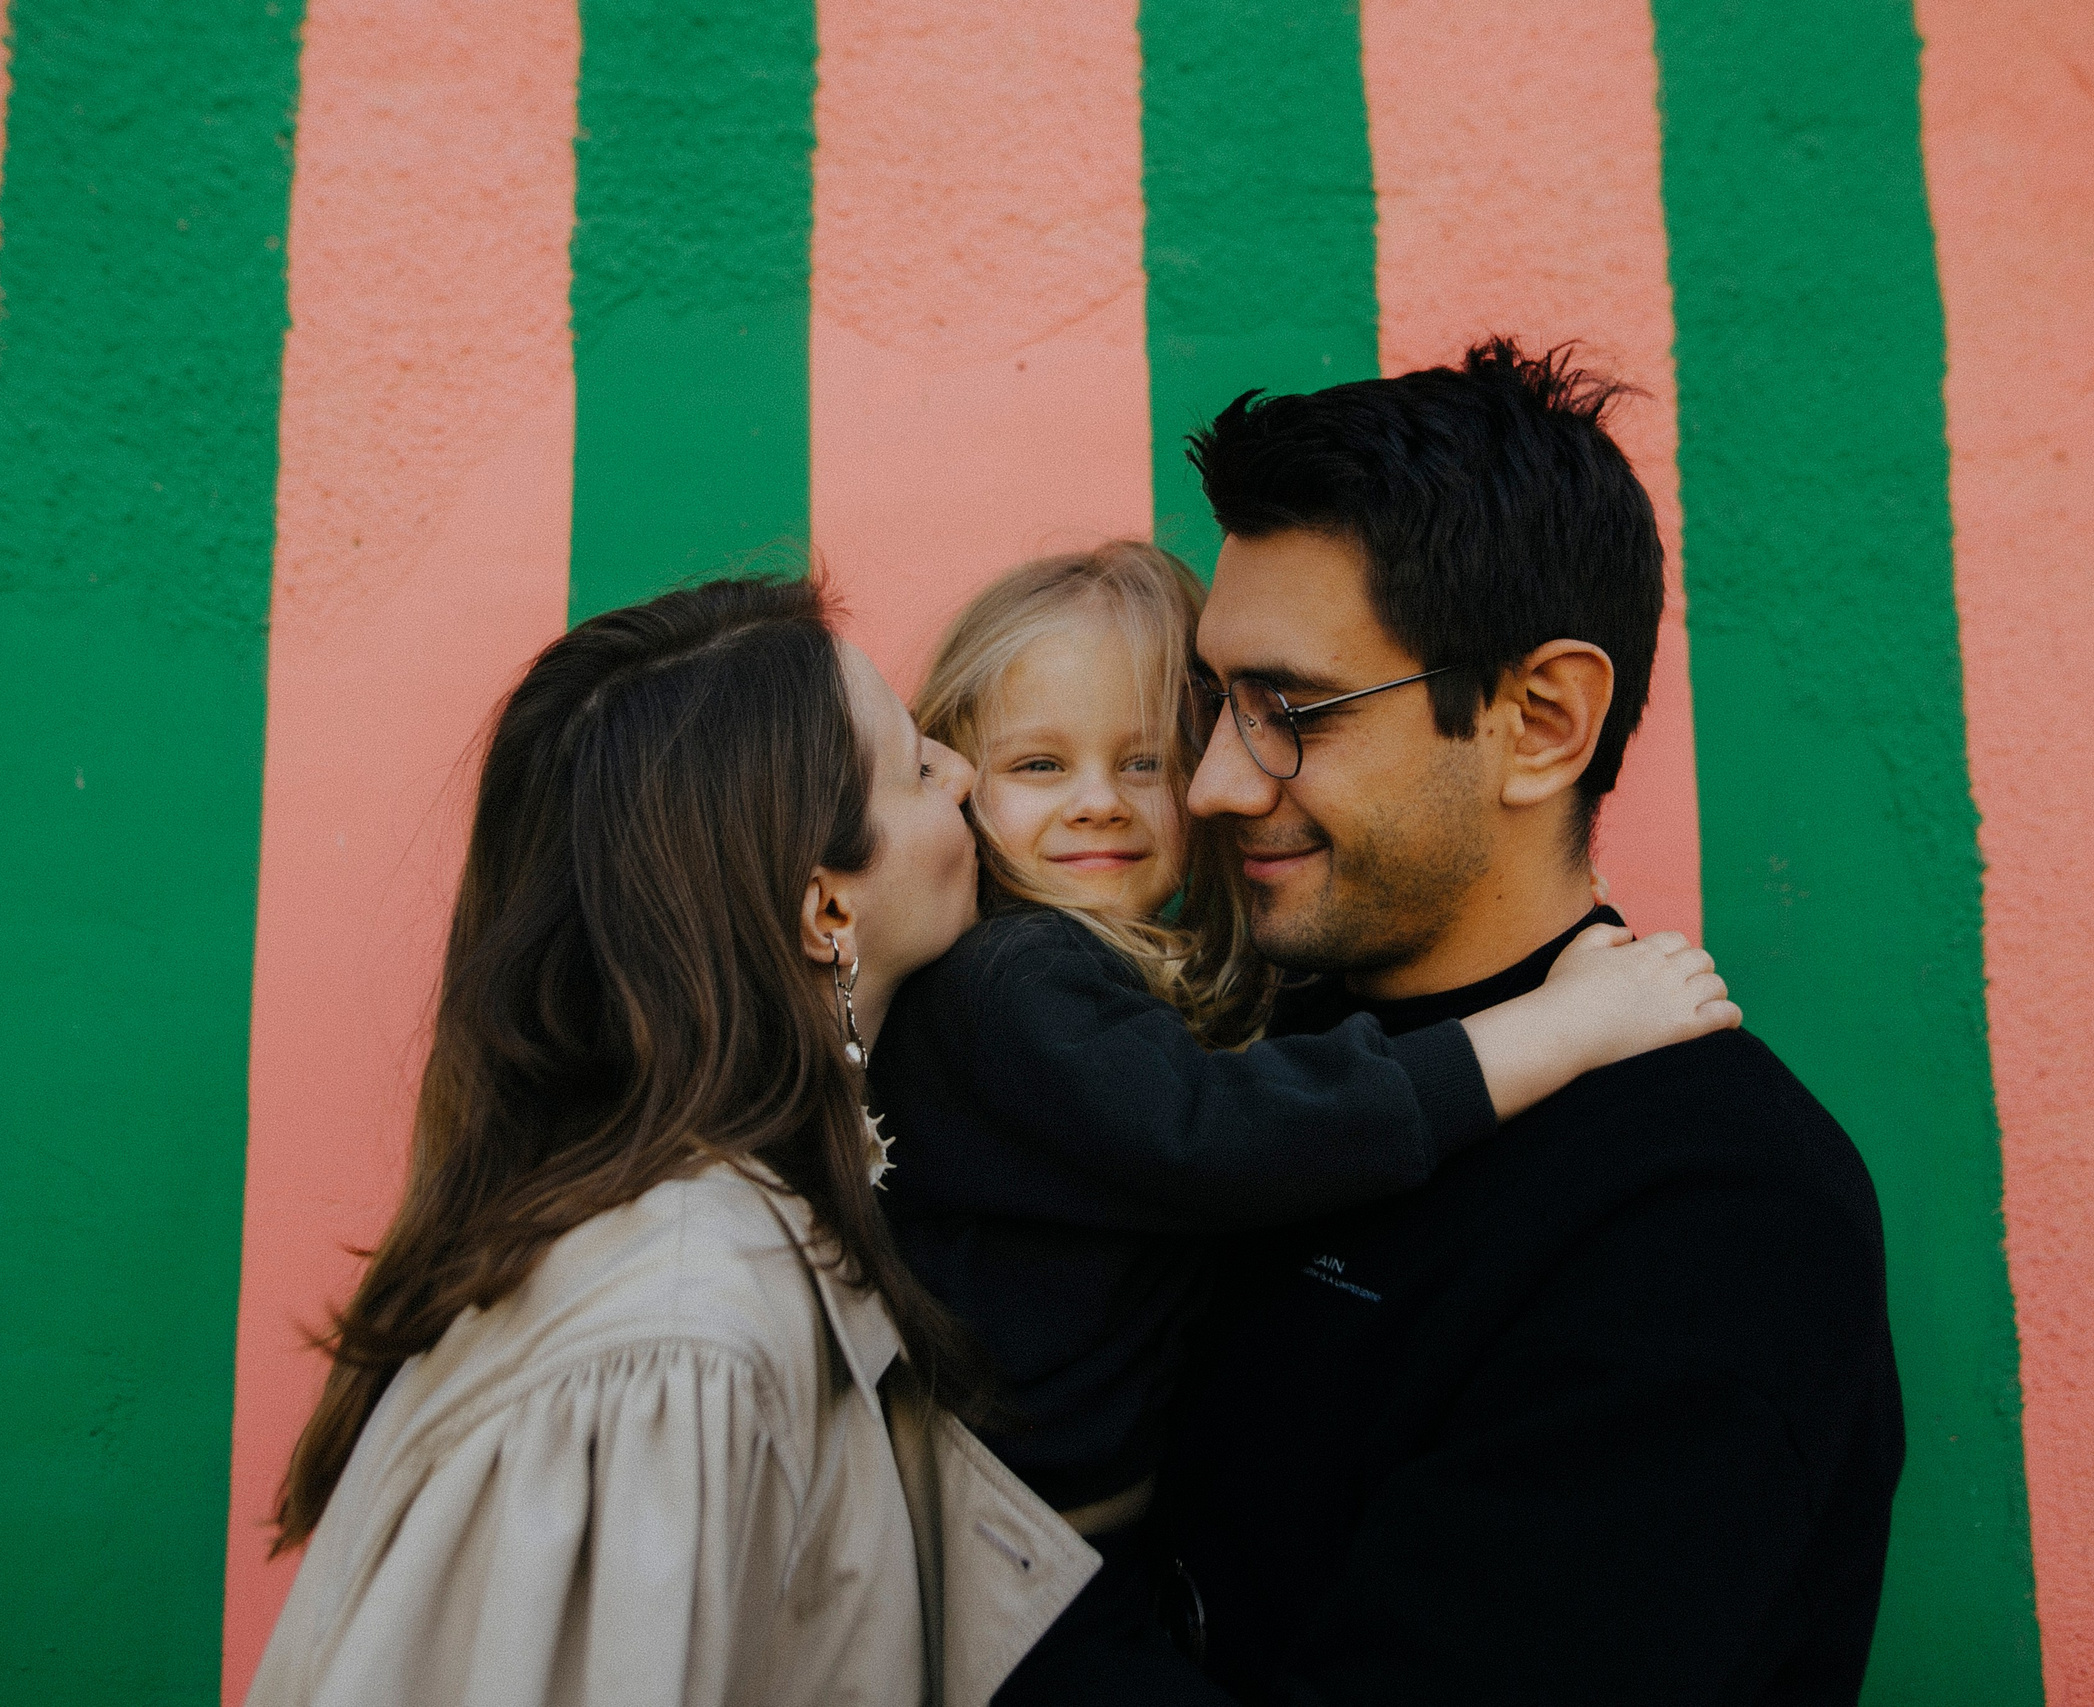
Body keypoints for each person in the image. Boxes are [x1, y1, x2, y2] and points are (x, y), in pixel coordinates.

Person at [1156, 339, 1907, 1703]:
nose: (1211, 781)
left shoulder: (1717, 1210)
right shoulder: (1230, 1059)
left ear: (1543, 721)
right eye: (1218, 703)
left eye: (1287, 712)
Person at [869, 541, 1742, 1703]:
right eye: (1039, 763)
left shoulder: (1115, 970)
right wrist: (1559, 1028)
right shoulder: (1014, 979)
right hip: (1003, 1566)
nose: (1099, 802)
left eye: (1146, 761)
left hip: (1070, 1543)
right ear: (960, 779)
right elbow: (1224, 1137)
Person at [246, 578, 1100, 1707]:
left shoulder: (712, 1252)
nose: (959, 774)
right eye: (914, 765)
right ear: (826, 910)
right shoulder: (676, 1336)